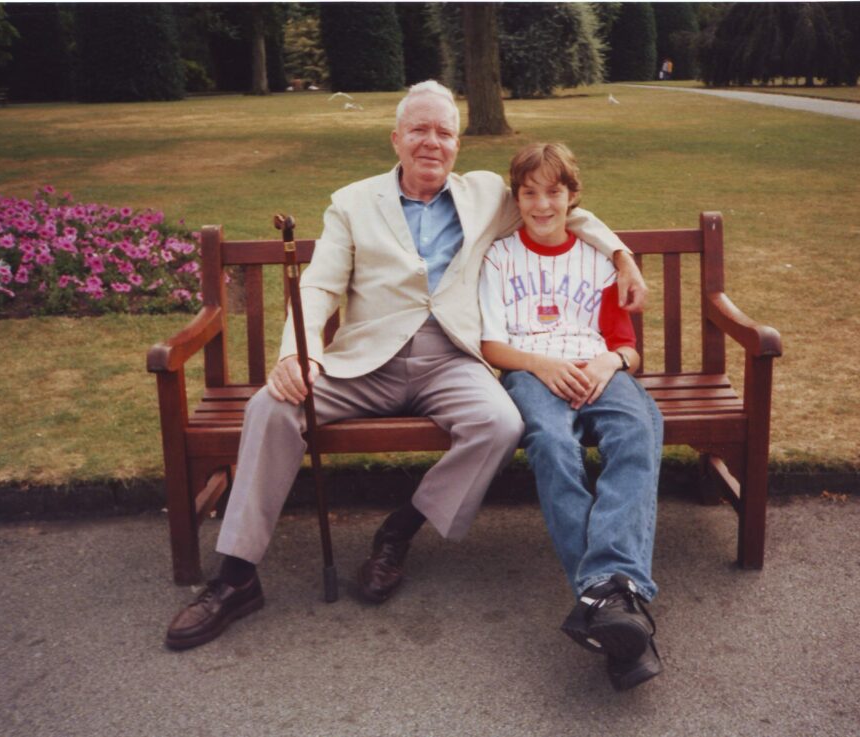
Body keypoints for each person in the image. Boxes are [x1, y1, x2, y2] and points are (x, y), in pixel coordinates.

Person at [164, 82, 650, 650]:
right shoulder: (352, 201)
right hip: (363, 362)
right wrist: (299, 353)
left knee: (500, 423)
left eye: (444, 132)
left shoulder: (487, 194)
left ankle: (401, 529)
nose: (431, 142)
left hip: (451, 359)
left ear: (457, 145)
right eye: (419, 130)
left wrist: (622, 258)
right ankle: (235, 577)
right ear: (396, 138)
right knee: (270, 407)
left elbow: (566, 210)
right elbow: (319, 285)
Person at [478, 142, 663, 691]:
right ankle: (617, 597)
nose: (541, 204)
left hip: (600, 369)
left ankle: (603, 595)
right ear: (517, 199)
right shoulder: (499, 256)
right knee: (554, 445)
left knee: (637, 430)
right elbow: (491, 344)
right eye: (529, 193)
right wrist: (541, 365)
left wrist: (608, 362)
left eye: (553, 192)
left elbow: (627, 347)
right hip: (532, 373)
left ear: (572, 197)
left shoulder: (598, 257)